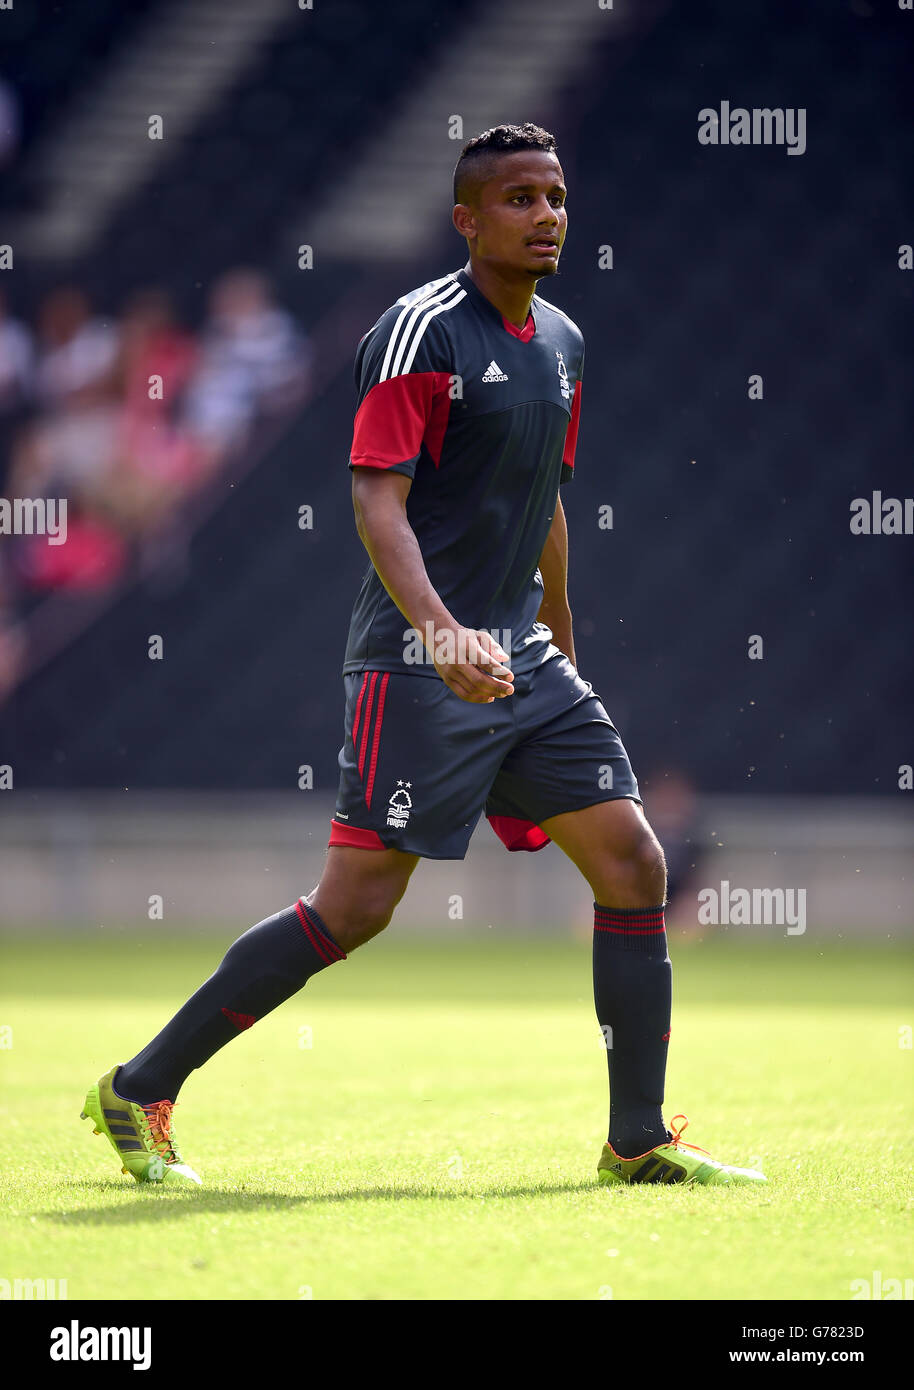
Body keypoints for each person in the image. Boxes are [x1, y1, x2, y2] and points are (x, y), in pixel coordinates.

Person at [81, 123, 764, 1190]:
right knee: (353, 907)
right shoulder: (419, 334)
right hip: (413, 661)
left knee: (633, 863)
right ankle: (140, 1084)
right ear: (466, 220)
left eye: (555, 196)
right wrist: (441, 629)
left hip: (525, 663)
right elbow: (373, 496)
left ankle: (636, 1139)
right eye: (519, 199)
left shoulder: (563, 344)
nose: (546, 216)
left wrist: (562, 654)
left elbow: (543, 507)